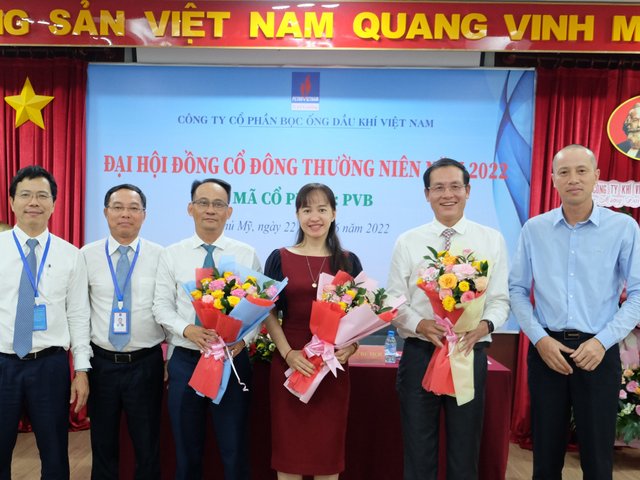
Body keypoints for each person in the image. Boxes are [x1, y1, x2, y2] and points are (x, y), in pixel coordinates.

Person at [509, 144, 640, 480]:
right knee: (545, 459)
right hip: (548, 352)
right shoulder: (534, 229)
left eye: (582, 171)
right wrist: (539, 340)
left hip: (598, 352)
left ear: (596, 176)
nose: (573, 179)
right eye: (564, 172)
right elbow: (517, 290)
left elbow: (638, 294)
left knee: (597, 461)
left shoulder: (623, 228)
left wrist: (602, 342)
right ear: (553, 179)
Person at [386, 158, 510, 480]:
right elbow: (392, 300)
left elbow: (500, 300)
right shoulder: (408, 241)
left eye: (455, 186)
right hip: (420, 353)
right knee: (419, 452)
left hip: (468, 352)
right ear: (427, 194)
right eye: (438, 188)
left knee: (464, 452)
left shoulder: (491, 239)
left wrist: (484, 326)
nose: (447, 194)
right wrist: (419, 324)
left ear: (468, 191)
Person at [153, 178, 260, 480]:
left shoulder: (246, 254)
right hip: (186, 360)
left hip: (231, 362)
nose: (210, 210)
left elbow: (259, 308)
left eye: (218, 204)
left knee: (234, 449)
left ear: (229, 211)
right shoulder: (171, 254)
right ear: (190, 208)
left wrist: (245, 341)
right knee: (187, 451)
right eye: (203, 203)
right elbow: (161, 307)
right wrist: (188, 329)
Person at [264, 183, 362, 480]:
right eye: (307, 210)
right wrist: (288, 353)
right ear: (297, 215)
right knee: (290, 455)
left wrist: (352, 347)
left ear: (334, 213)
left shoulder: (348, 261)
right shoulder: (279, 257)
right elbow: (268, 311)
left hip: (332, 367)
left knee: (327, 457)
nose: (314, 217)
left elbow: (361, 313)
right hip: (290, 363)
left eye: (322, 209)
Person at [0, 165, 91, 480]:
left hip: (49, 366)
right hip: (3, 364)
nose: (33, 202)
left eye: (42, 195)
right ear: (12, 201)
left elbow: (78, 315)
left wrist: (81, 370)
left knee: (54, 454)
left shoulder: (71, 255)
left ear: (54, 203)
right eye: (25, 195)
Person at [81, 184, 165, 479]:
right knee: (102, 443)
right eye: (118, 207)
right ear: (106, 212)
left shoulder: (160, 256)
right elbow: (79, 313)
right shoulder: (87, 255)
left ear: (144, 215)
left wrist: (170, 357)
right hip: (102, 363)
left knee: (147, 445)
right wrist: (81, 367)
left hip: (146, 363)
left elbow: (168, 308)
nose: (125, 214)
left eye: (133, 208)